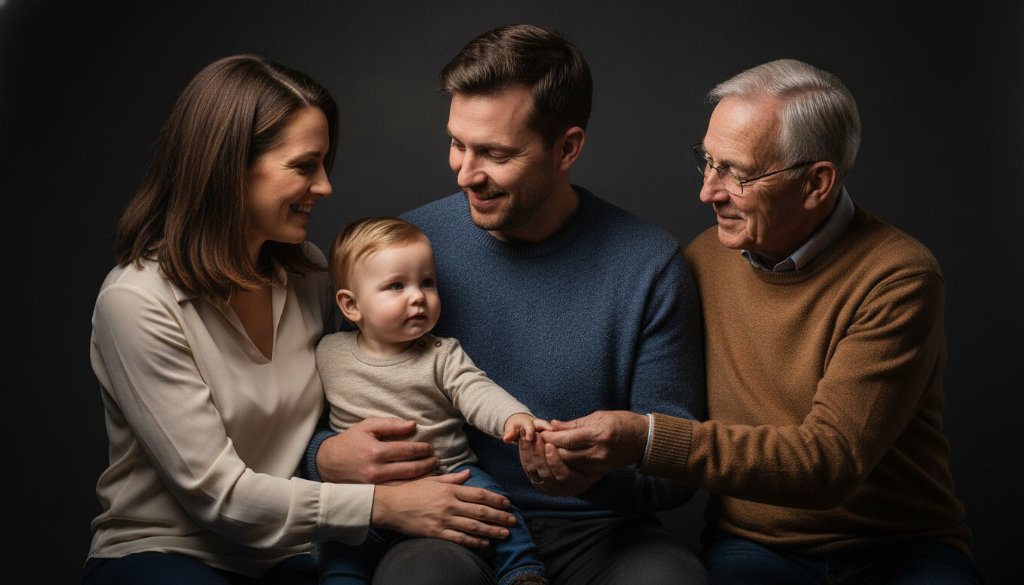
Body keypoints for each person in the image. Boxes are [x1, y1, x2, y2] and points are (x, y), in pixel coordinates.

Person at [535, 58, 982, 584]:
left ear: (816, 183)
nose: (709, 191)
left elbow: (830, 463)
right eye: (708, 161)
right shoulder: (703, 259)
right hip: (756, 549)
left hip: (901, 548)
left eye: (737, 173)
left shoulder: (898, 277)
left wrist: (648, 439)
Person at [82, 54, 520, 585]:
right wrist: (383, 504)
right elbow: (216, 496)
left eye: (325, 164)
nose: (325, 187)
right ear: (228, 168)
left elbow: (342, 406)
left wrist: (332, 456)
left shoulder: (310, 273)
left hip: (297, 549)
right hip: (168, 551)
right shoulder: (136, 302)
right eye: (303, 166)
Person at [306, 24, 708, 585]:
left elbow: (679, 465)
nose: (466, 174)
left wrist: (590, 476)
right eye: (456, 143)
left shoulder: (649, 265)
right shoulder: (404, 250)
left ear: (566, 148)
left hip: (602, 531)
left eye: (494, 153)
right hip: (451, 518)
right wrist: (325, 458)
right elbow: (325, 397)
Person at [316, 216, 551, 585]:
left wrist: (512, 417)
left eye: (426, 283)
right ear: (351, 306)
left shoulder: (441, 354)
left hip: (449, 474)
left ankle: (522, 571)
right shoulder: (328, 353)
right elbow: (303, 417)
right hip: (364, 492)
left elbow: (476, 390)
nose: (418, 296)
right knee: (338, 546)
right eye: (396, 286)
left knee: (496, 507)